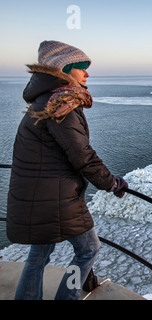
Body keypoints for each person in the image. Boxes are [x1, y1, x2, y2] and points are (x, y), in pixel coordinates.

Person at [6, 40, 128, 300]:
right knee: (88, 249)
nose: (87, 73)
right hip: (54, 197)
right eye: (81, 67)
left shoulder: (45, 101)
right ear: (63, 70)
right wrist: (112, 183)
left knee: (38, 256)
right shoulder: (60, 106)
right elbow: (81, 154)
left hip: (38, 195)